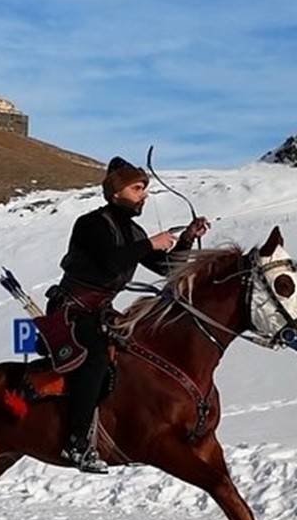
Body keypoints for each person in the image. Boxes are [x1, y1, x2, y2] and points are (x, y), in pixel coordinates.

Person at [41, 156, 210, 473]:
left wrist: (186, 238)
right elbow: (109, 262)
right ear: (116, 192)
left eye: (144, 188)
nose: (143, 194)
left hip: (101, 312)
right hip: (71, 311)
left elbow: (167, 268)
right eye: (137, 188)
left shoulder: (133, 232)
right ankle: (76, 443)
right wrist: (149, 243)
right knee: (95, 361)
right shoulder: (91, 224)